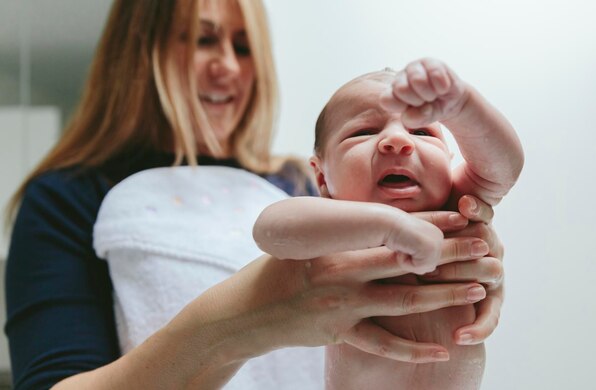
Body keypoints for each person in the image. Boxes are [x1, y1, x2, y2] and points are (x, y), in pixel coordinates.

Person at [3, 0, 505, 388]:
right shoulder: (67, 198)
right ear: (140, 51)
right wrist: (241, 322)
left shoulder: (298, 185)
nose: (228, 68)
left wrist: (466, 257)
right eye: (203, 41)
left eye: (243, 48)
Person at [254, 58, 523, 389]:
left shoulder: (457, 204)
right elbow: (270, 229)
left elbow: (504, 168)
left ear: (449, 162)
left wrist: (462, 105)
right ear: (322, 177)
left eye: (422, 131)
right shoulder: (333, 224)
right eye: (364, 131)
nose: (397, 141)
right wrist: (387, 226)